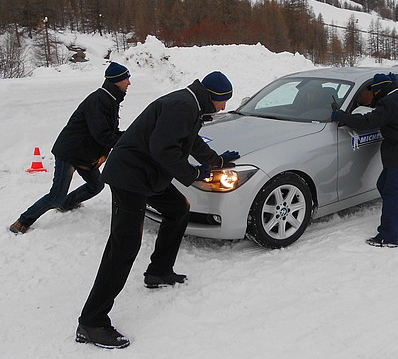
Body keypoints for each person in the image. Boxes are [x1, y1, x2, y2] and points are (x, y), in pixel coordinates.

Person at [76, 71, 240, 349]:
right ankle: (91, 322)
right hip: (130, 177)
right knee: (124, 246)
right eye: (223, 102)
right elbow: (163, 149)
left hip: (148, 174)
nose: (224, 107)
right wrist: (194, 173)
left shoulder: (191, 105)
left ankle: (159, 271)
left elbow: (190, 140)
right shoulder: (183, 106)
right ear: (212, 97)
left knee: (178, 208)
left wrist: (216, 160)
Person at [9, 62, 131, 234]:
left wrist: (131, 137)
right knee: (56, 195)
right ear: (117, 81)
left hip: (84, 154)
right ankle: (22, 221)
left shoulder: (110, 99)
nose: (129, 83)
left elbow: (110, 131)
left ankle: (66, 204)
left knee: (96, 185)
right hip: (70, 152)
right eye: (127, 79)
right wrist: (126, 145)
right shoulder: (99, 100)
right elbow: (102, 134)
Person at [331, 72, 398, 248]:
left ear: (382, 89)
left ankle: (388, 237)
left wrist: (342, 116)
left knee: (392, 192)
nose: (374, 94)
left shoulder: (389, 102)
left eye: (375, 90)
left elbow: (369, 121)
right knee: (385, 186)